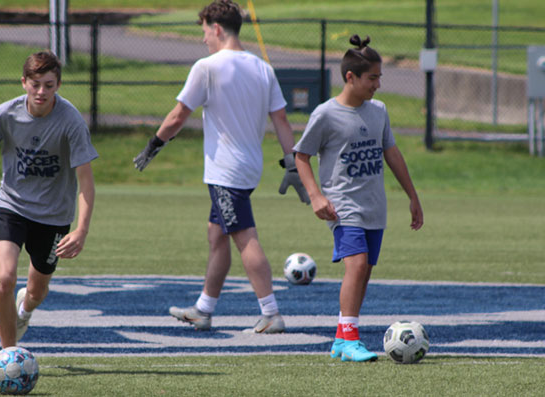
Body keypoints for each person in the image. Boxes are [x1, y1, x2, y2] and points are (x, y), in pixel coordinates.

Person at [133, 0, 309, 333]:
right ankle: (203, 309)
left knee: (244, 237)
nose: (203, 40)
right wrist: (291, 162)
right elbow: (282, 120)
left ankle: (271, 313)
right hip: (248, 167)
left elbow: (178, 115)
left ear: (216, 28)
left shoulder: (207, 67)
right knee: (217, 235)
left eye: (204, 32)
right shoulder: (262, 68)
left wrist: (154, 144)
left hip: (226, 171)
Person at [0, 51, 98, 349]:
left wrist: (81, 230)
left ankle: (24, 310)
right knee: (5, 277)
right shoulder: (6, 113)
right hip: (12, 207)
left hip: (54, 216)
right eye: (36, 84)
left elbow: (86, 180)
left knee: (37, 291)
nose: (41, 91)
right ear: (24, 82)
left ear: (59, 85)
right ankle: (8, 353)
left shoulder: (71, 122)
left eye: (49, 85)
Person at [293, 35, 424, 362]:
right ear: (350, 77)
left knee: (364, 271)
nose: (378, 84)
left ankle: (341, 338)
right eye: (372, 78)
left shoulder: (378, 111)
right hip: (342, 206)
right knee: (357, 265)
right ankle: (350, 339)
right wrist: (315, 197)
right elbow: (301, 156)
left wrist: (412, 196)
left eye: (379, 77)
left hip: (374, 207)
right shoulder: (325, 114)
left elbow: (392, 154)